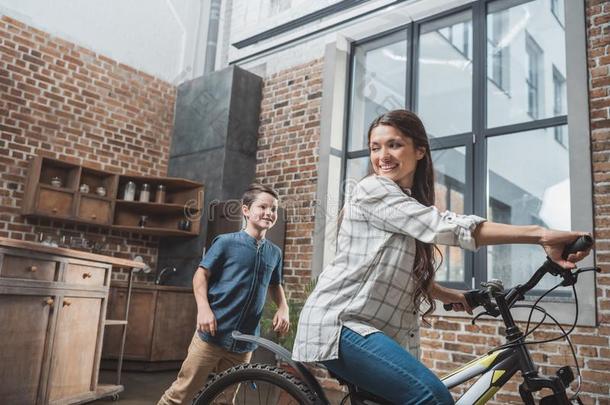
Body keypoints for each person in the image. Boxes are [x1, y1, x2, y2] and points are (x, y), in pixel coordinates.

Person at [291, 109, 591, 405]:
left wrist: (451, 294)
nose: (383, 155)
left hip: (370, 329)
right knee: (432, 396)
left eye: (394, 144)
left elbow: (396, 268)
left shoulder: (404, 203)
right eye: (375, 147)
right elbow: (442, 226)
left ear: (420, 150)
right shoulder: (374, 189)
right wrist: (541, 234)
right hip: (339, 324)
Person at [159, 183, 290, 405]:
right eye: (263, 207)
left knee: (225, 401)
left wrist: (283, 307)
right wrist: (203, 309)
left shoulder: (274, 253)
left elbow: (275, 285)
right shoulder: (226, 243)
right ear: (246, 210)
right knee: (180, 394)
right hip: (211, 334)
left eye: (274, 209)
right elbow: (200, 276)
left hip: (244, 342)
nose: (269, 213)